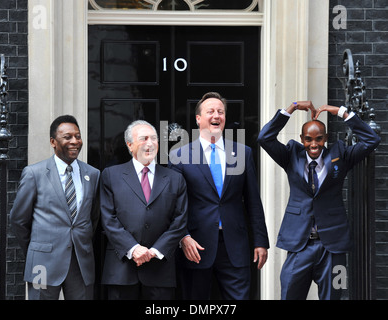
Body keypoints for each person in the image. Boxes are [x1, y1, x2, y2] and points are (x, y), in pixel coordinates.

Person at [257, 101, 381, 300]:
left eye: (319, 139)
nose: (313, 144)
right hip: (299, 246)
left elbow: (372, 140)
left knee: (334, 297)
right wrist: (292, 108)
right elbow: (264, 138)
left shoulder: (341, 155)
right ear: (301, 139)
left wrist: (341, 112)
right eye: (308, 139)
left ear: (326, 138)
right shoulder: (291, 156)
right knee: (289, 294)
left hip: (333, 248)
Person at [168, 92, 269, 300]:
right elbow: (174, 204)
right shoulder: (178, 155)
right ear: (198, 119)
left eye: (220, 112)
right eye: (210, 111)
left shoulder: (243, 153)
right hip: (196, 246)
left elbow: (253, 201)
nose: (216, 115)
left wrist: (260, 241)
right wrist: (183, 236)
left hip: (235, 245)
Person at [10, 115, 100, 300]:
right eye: (67, 137)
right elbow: (19, 219)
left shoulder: (93, 174)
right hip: (41, 264)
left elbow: (94, 217)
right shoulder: (34, 173)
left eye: (78, 136)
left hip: (80, 263)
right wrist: (36, 249)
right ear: (53, 141)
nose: (75, 141)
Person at [100, 120, 188, 300]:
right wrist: (133, 249)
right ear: (129, 145)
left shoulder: (175, 179)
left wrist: (155, 251)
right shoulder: (111, 175)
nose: (150, 143)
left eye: (154, 138)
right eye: (144, 138)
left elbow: (180, 220)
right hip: (121, 269)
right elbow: (108, 218)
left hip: (160, 270)